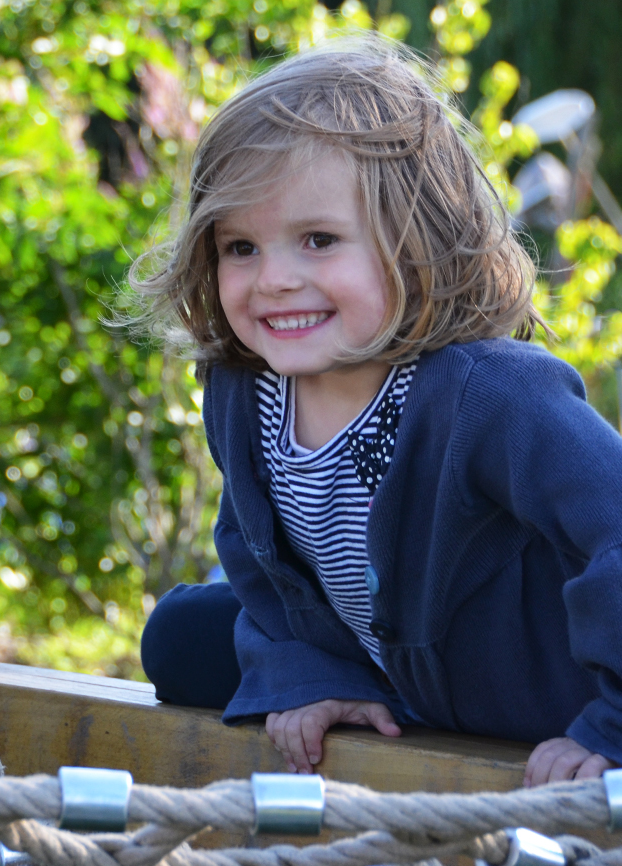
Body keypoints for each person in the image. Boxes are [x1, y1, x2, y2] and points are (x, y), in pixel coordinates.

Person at [130, 35, 622, 787]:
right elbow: (257, 559)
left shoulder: (488, 392)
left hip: (546, 684)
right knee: (179, 636)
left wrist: (610, 724)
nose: (273, 280)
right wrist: (306, 671)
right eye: (240, 248)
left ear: (417, 243)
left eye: (317, 240)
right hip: (389, 665)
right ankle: (327, 674)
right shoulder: (245, 389)